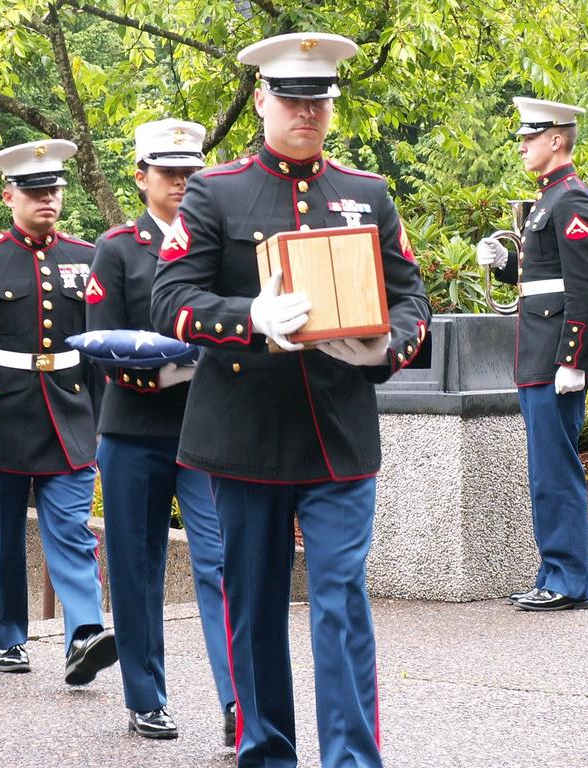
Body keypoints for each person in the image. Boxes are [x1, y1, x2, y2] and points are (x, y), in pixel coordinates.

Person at [150, 33, 431, 768]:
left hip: (338, 430)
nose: (308, 112)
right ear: (264, 101)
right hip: (244, 433)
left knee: (341, 602)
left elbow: (411, 297)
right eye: (293, 99)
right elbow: (170, 299)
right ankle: (266, 753)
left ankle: (351, 760)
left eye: (321, 99)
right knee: (254, 608)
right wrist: (248, 318)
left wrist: (387, 346)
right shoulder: (216, 190)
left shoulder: (366, 192)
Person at [0, 138, 119, 683]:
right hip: (1, 417)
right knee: (0, 532)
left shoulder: (86, 256)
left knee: (71, 528)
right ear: (8, 196)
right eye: (36, 191)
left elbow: (99, 345)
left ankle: (84, 635)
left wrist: (108, 419)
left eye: (54, 191)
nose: (48, 200)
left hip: (68, 416)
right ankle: (7, 637)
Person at [85, 119, 236, 743]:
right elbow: (101, 344)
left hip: (204, 432)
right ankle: (145, 696)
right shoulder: (118, 249)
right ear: (141, 176)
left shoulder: (220, 244)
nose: (181, 182)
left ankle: (238, 700)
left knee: (222, 563)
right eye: (169, 172)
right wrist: (177, 368)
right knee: (137, 567)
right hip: (133, 429)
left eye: (190, 171)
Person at [476, 97, 588, 611]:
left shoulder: (571, 200)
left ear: (557, 139)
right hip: (538, 351)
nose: (523, 146)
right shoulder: (549, 200)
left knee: (555, 473)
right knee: (545, 472)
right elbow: (542, 280)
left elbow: (584, 288)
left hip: (555, 355)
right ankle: (553, 572)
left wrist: (572, 360)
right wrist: (507, 262)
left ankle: (569, 581)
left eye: (531, 137)